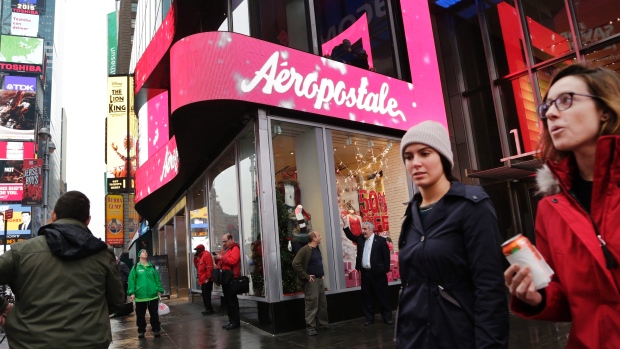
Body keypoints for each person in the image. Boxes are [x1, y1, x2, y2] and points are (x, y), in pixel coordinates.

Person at [505, 63, 620, 348]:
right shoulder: (550, 208)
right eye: (546, 108)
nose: (551, 113)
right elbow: (567, 301)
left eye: (566, 100)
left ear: (604, 109)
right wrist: (535, 295)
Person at [396, 121, 509, 348]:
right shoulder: (411, 214)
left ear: (443, 158)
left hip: (459, 338)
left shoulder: (471, 205)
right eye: (408, 157)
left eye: (425, 153)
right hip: (415, 340)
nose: (416, 163)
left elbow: (489, 288)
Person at [0, 190, 125, 349]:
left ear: (53, 215)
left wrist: (3, 307)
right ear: (87, 220)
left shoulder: (21, 251)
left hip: (29, 343)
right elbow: (116, 302)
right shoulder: (102, 254)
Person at [341, 220, 392, 326]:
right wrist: (345, 225)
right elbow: (351, 236)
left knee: (382, 296)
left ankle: (387, 317)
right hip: (365, 274)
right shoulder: (360, 239)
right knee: (367, 297)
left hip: (378, 274)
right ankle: (369, 318)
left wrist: (384, 269)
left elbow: (386, 256)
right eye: (362, 229)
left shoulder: (381, 240)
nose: (362, 231)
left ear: (371, 229)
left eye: (365, 229)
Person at [292, 231, 329, 336]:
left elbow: (317, 262)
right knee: (311, 303)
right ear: (314, 238)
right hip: (311, 281)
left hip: (319, 280)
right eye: (319, 236)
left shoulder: (317, 249)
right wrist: (306, 276)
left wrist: (321, 274)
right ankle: (310, 327)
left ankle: (323, 323)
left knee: (322, 303)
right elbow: (295, 263)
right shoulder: (305, 250)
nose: (320, 237)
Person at [128, 249, 165, 339]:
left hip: (153, 296)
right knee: (140, 315)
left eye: (146, 252)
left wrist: (159, 289)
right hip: (140, 296)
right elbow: (131, 280)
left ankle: (156, 330)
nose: (145, 253)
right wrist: (132, 292)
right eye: (143, 252)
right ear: (139, 255)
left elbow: (157, 279)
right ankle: (141, 331)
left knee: (154, 314)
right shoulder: (136, 267)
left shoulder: (151, 266)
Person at [214, 233, 241, 330]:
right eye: (223, 242)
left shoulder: (235, 248)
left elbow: (233, 261)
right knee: (228, 301)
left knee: (232, 301)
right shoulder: (225, 249)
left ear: (231, 239)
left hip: (232, 277)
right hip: (225, 278)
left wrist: (221, 258)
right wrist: (217, 258)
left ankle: (235, 322)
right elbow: (222, 262)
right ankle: (231, 321)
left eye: (225, 241)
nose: (224, 243)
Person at [193, 244, 215, 315]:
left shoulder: (206, 255)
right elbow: (197, 266)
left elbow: (209, 266)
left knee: (207, 294)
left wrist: (208, 277)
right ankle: (207, 308)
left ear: (200, 249)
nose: (197, 251)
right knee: (205, 294)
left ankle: (209, 309)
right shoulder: (200, 256)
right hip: (203, 279)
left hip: (206, 279)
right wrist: (195, 258)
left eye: (197, 250)